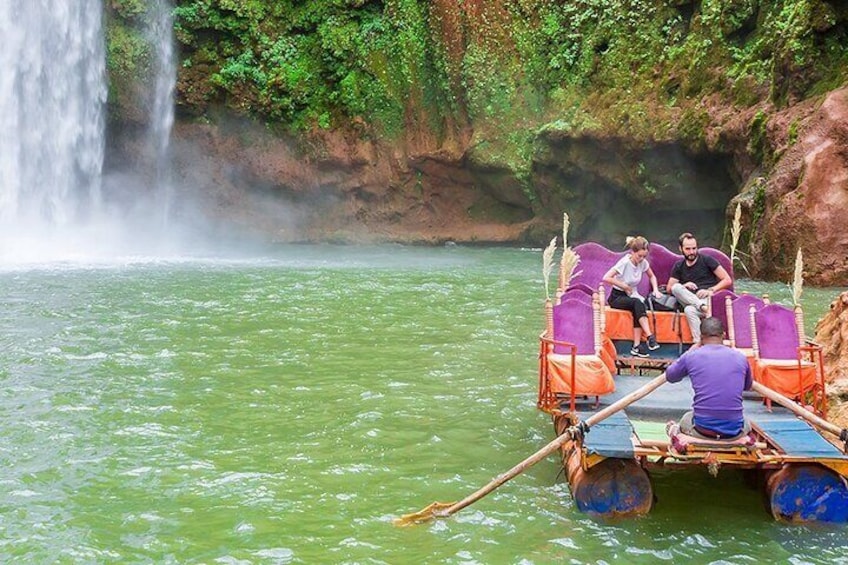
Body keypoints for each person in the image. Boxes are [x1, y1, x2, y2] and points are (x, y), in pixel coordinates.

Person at [667, 317, 752, 439]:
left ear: (701, 338)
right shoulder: (741, 357)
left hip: (703, 428)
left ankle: (675, 431)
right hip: (734, 429)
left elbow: (670, 376)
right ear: (724, 335)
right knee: (747, 422)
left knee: (686, 418)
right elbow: (747, 386)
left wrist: (691, 350)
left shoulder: (691, 356)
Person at [666, 232, 732, 345]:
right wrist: (684, 285)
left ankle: (698, 342)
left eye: (694, 248)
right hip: (693, 301)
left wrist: (710, 290)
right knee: (676, 287)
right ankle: (702, 309)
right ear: (680, 249)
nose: (692, 252)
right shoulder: (678, 266)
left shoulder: (707, 260)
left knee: (689, 310)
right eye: (688, 249)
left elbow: (727, 280)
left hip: (707, 299)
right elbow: (669, 289)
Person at [602, 236, 662, 358]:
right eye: (639, 256)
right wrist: (623, 285)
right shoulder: (624, 263)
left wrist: (655, 289)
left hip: (631, 295)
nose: (641, 259)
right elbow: (606, 277)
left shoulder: (643, 263)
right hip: (617, 296)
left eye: (644, 256)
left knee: (639, 306)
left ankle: (636, 346)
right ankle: (650, 336)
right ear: (632, 252)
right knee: (636, 303)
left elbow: (652, 276)